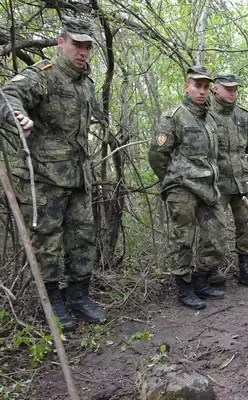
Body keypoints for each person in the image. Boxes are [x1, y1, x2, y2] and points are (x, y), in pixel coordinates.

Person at [0, 17, 106, 331]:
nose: (83, 52)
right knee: (47, 241)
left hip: (78, 176)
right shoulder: (43, 75)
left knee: (83, 239)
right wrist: (17, 115)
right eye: (77, 44)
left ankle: (78, 297)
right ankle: (53, 303)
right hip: (45, 177)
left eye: (88, 46)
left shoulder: (86, 81)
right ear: (61, 43)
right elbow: (7, 95)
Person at [148, 65, 227, 310]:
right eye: (197, 86)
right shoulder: (174, 116)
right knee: (183, 238)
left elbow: (214, 155)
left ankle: (202, 281)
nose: (201, 91)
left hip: (207, 186)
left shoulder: (211, 119)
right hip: (182, 187)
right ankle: (184, 288)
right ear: (187, 86)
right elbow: (157, 155)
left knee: (215, 235)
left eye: (205, 87)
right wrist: (173, 179)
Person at [209, 72, 248, 287]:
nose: (232, 92)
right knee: (214, 229)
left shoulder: (243, 115)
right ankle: (211, 273)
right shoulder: (206, 114)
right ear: (216, 88)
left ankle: (246, 270)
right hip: (217, 183)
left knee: (247, 225)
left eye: (235, 88)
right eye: (227, 88)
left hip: (243, 181)